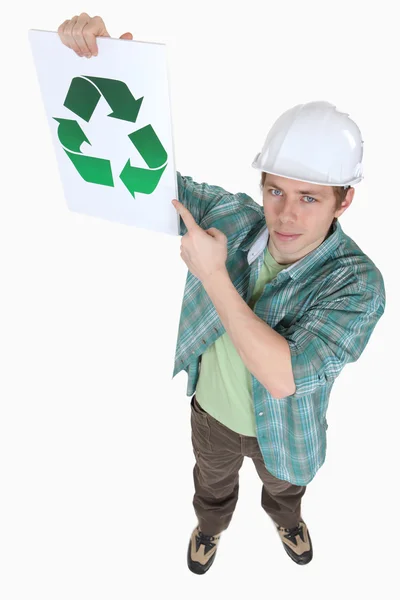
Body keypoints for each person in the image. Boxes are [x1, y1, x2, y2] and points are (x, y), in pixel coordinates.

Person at [57, 13, 386, 574]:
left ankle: (286, 518)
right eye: (276, 190)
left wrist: (212, 275)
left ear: (343, 202)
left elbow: (284, 376)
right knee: (210, 483)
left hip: (289, 433)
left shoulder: (357, 284)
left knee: (285, 489)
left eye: (309, 198)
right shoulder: (232, 217)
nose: (283, 214)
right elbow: (147, 179)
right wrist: (111, 73)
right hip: (212, 414)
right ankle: (210, 527)